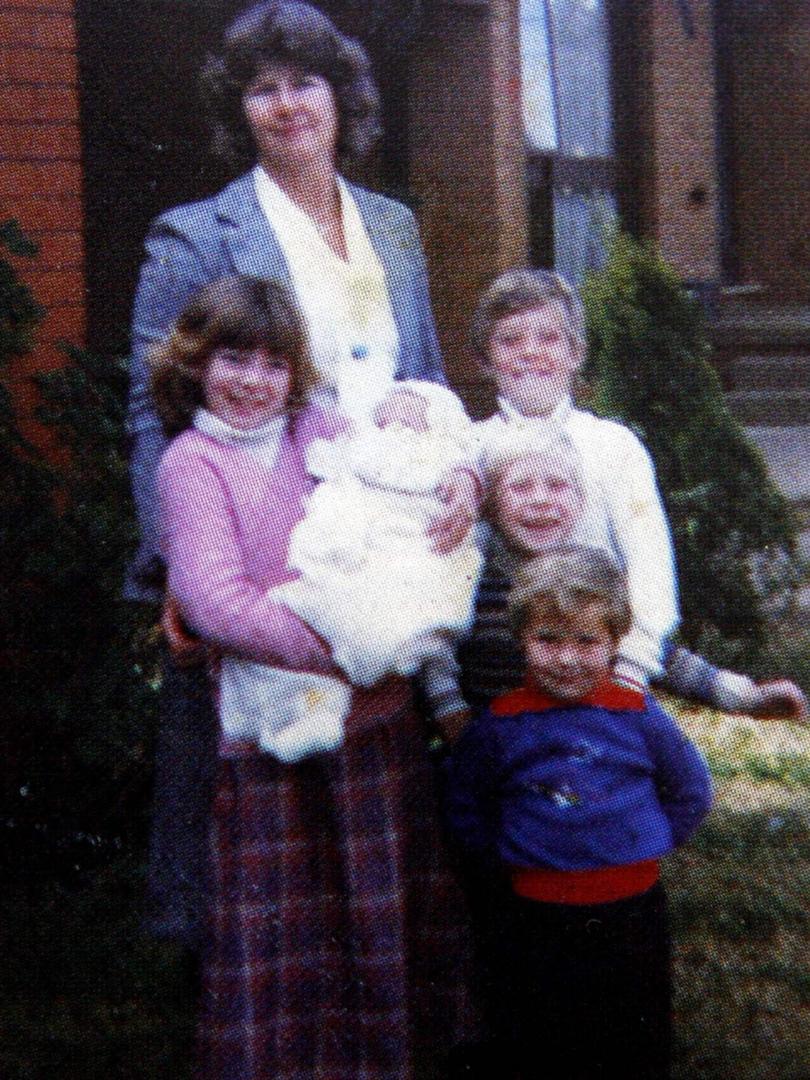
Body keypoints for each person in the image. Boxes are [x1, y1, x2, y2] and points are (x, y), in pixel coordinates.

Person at [126, 0, 477, 948]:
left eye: (304, 82)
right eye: (262, 88)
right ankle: (229, 972)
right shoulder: (197, 235)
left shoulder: (393, 226)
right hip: (256, 519)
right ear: (239, 109)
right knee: (244, 767)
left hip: (384, 534)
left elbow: (428, 379)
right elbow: (149, 412)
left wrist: (462, 473)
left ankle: (367, 969)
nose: (285, 105)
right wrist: (172, 572)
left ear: (342, 95)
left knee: (372, 754)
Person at [151, 274, 475, 1078]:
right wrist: (353, 648)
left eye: (272, 363)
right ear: (196, 363)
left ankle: (387, 1056)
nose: (253, 381)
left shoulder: (319, 431)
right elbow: (216, 602)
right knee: (286, 921)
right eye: (233, 358)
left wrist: (463, 478)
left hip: (376, 721)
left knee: (373, 905)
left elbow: (415, 463)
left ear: (296, 373)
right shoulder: (192, 464)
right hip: (271, 725)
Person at [456, 268, 808, 722]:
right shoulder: (468, 446)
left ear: (576, 354)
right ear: (484, 360)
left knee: (610, 614)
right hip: (498, 638)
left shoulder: (612, 444)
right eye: (510, 341)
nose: (531, 353)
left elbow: (649, 566)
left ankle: (727, 688)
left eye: (549, 338)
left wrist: (632, 666)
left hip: (598, 635)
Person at [444, 547, 713, 1078]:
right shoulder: (500, 724)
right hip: (532, 911)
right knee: (539, 1034)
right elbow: (465, 802)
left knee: (632, 1033)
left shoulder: (637, 714)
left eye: (587, 641)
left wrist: (644, 843)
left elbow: (689, 790)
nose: (567, 658)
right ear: (521, 639)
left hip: (631, 906)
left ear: (615, 642)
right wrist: (501, 859)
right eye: (549, 640)